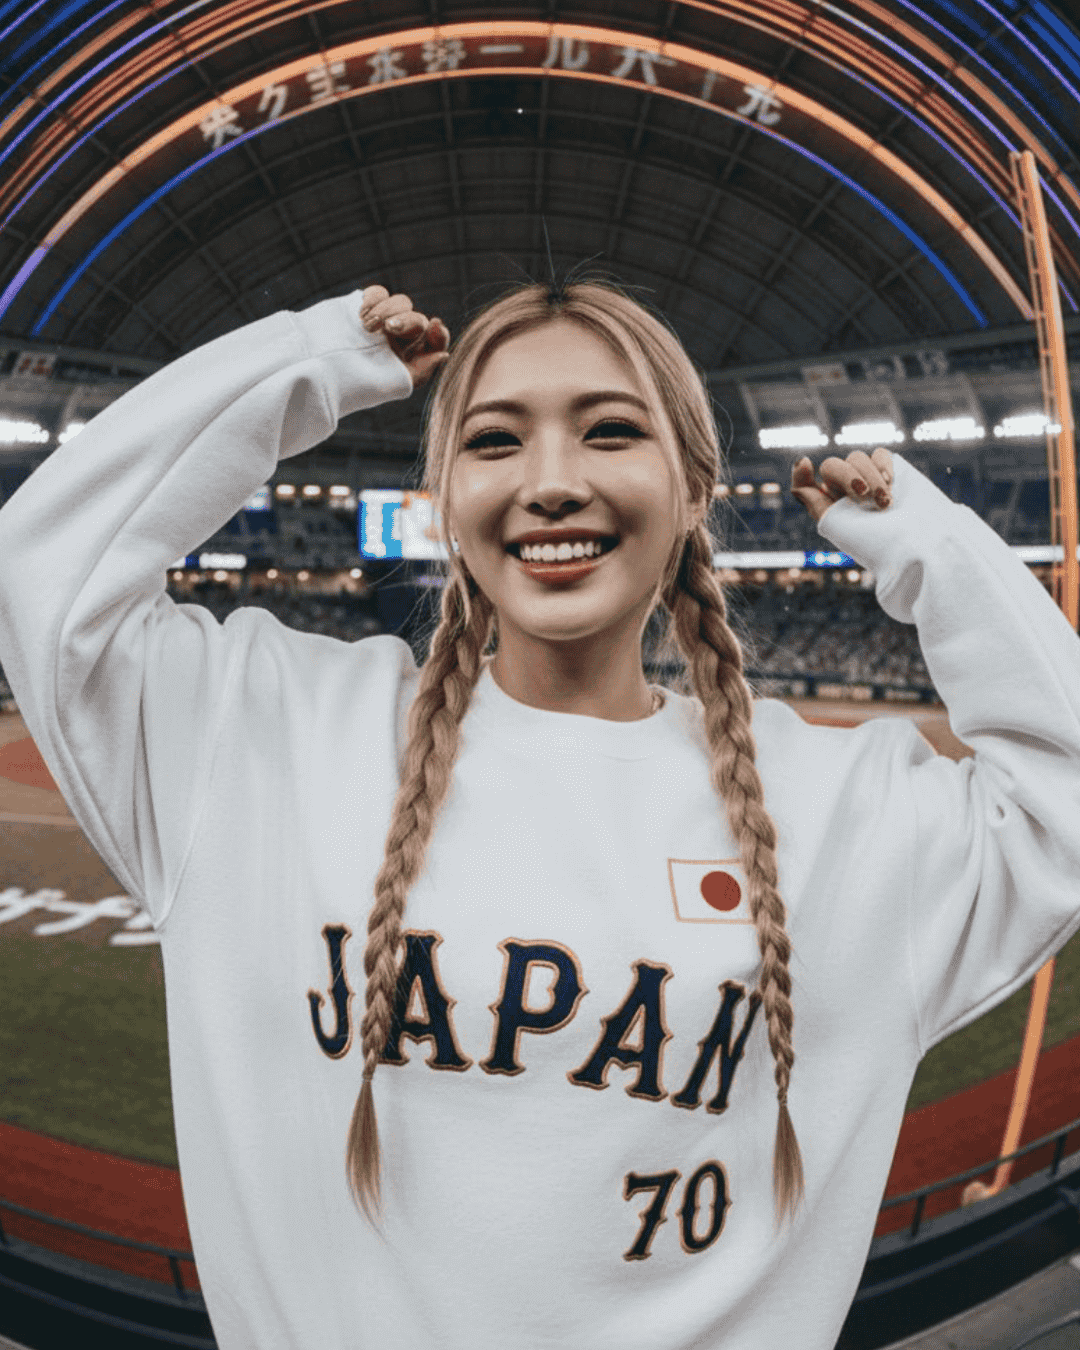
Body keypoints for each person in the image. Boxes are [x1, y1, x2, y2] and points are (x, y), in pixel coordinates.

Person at [0, 277, 1077, 1350]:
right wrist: (307, 362)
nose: (552, 482)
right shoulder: (259, 735)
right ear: (443, 496)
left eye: (610, 431)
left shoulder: (842, 810)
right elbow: (44, 572)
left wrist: (933, 546)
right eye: (494, 441)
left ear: (695, 488)